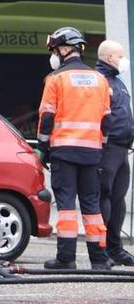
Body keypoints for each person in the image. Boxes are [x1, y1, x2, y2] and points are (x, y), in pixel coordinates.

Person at [37, 27, 112, 270]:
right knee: (92, 206)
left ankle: (66, 259)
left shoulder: (56, 79)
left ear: (65, 49)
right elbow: (107, 120)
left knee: (67, 206)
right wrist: (101, 148)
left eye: (55, 49)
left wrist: (43, 148)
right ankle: (99, 260)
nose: (54, 55)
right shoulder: (100, 80)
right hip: (92, 154)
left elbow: (47, 118)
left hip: (64, 152)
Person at [95, 40, 134, 266]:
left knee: (118, 200)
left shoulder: (118, 82)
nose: (123, 60)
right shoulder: (98, 81)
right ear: (110, 58)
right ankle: (102, 250)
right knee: (104, 197)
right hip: (106, 148)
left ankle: (115, 248)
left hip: (121, 149)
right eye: (120, 56)